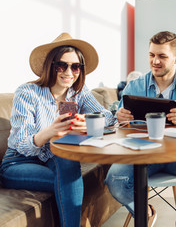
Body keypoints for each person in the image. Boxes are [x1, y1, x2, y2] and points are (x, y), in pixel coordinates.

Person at [0, 33, 116, 227]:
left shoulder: (78, 92)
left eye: (76, 66)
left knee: (67, 163)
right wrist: (50, 131)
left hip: (56, 157)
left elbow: (108, 117)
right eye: (62, 65)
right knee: (69, 180)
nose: (69, 72)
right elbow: (22, 143)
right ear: (50, 65)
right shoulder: (27, 92)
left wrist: (87, 121)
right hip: (19, 162)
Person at [105, 31, 176, 227]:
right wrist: (120, 119)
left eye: (162, 56)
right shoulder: (133, 87)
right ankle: (145, 212)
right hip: (144, 157)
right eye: (152, 55)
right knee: (115, 179)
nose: (155, 61)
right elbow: (119, 127)